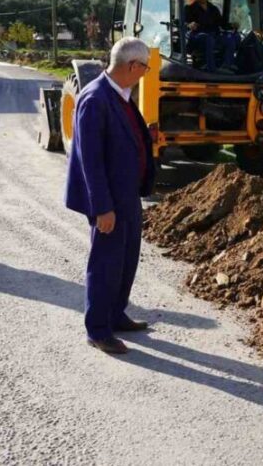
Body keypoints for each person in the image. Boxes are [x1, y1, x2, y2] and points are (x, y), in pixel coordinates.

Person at [64, 37, 156, 354]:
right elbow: (90, 161)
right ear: (132, 66)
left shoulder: (120, 95)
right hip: (109, 201)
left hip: (127, 194)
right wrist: (102, 208)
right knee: (105, 263)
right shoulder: (95, 99)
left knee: (126, 260)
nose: (146, 73)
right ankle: (98, 329)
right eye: (145, 67)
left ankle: (116, 314)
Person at [184, 0, 237, 72]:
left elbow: (222, 24)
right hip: (197, 36)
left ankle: (226, 66)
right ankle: (211, 69)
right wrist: (190, 24)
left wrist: (232, 25)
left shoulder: (213, 9)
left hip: (214, 35)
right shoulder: (189, 9)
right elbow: (184, 23)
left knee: (230, 38)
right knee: (208, 39)